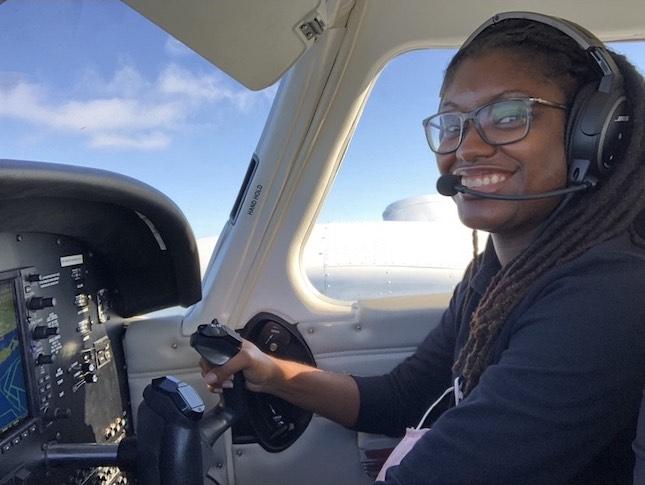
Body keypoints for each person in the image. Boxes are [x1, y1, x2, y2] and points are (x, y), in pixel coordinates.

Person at [201, 12, 645, 484]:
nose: (467, 148)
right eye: (451, 124)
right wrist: (272, 374)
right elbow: (402, 398)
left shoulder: (606, 295)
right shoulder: (496, 273)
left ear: (594, 132)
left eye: (509, 115)